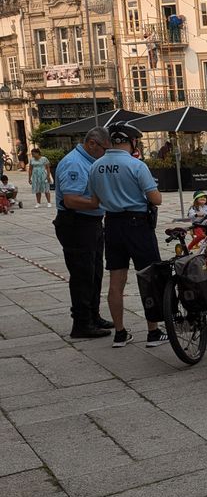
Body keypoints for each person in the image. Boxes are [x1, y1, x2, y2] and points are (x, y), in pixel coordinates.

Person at [87, 122, 165, 349]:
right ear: (131, 142)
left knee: (115, 281)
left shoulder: (95, 166)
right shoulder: (136, 165)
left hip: (111, 223)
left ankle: (120, 333)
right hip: (137, 225)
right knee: (149, 276)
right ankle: (153, 332)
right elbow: (156, 199)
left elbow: (94, 201)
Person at [55, 127, 114, 339]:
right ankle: (81, 324)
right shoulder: (75, 163)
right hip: (77, 224)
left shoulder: (90, 161)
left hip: (92, 222)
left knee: (95, 271)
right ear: (91, 143)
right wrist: (100, 201)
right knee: (82, 274)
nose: (106, 154)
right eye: (104, 149)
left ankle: (93, 316)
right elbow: (71, 200)